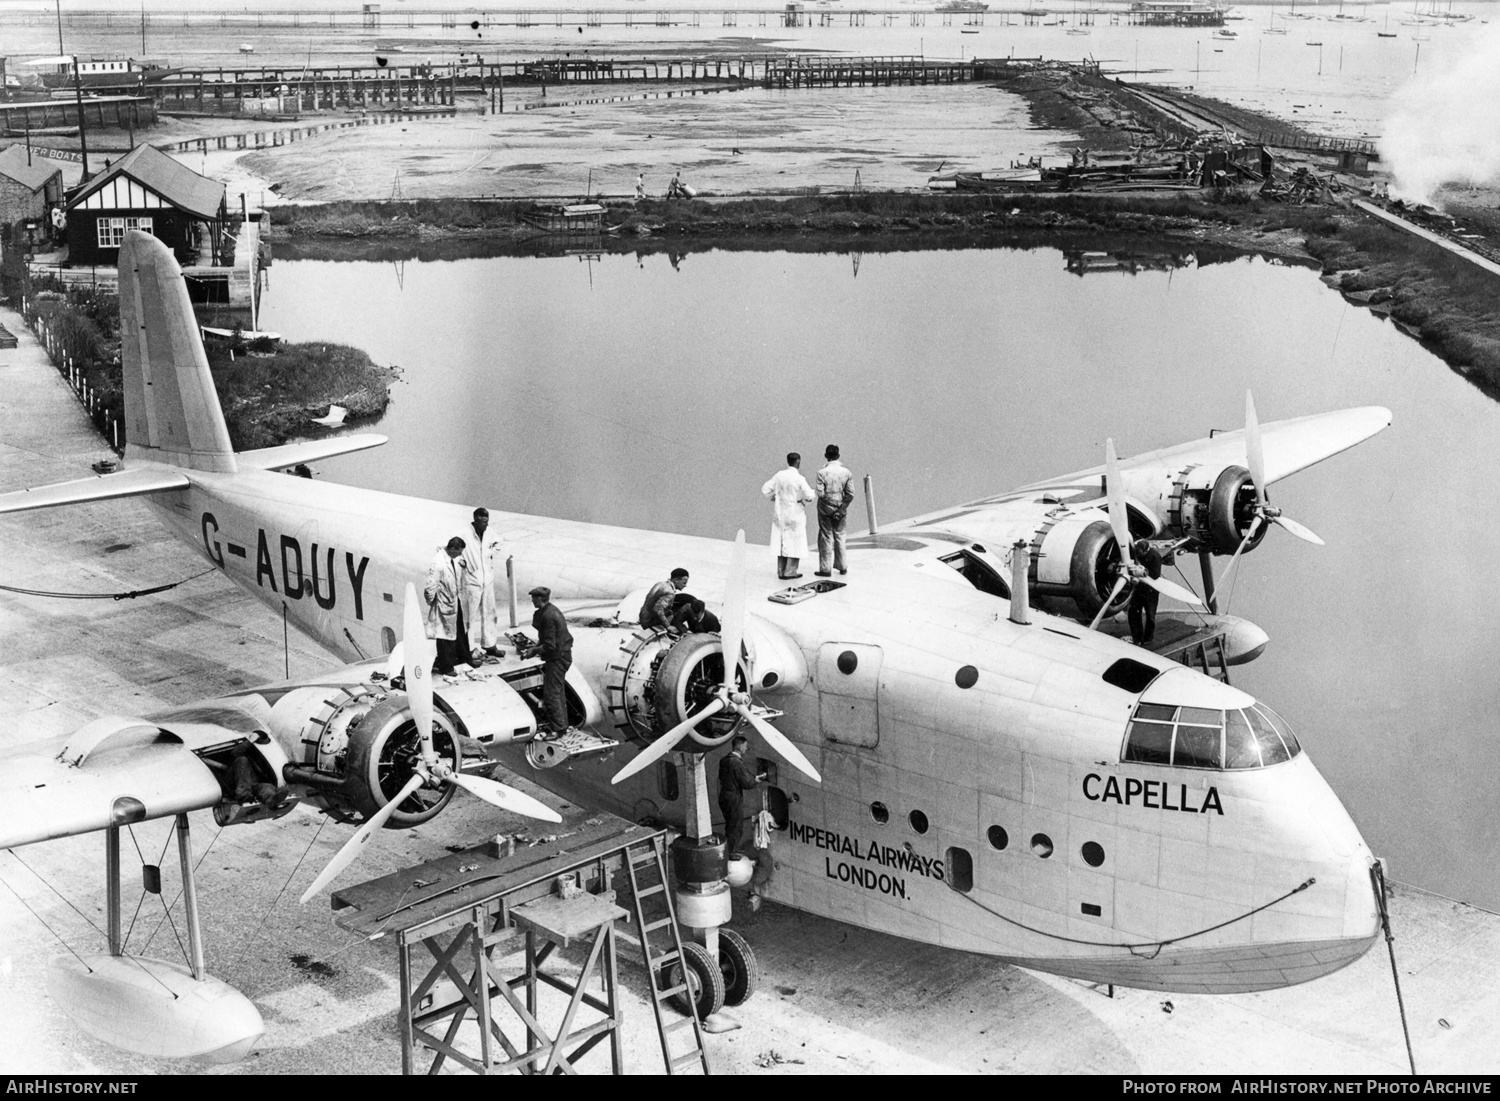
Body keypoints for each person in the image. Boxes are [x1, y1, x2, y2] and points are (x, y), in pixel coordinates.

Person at [762, 452, 815, 580]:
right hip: (795, 512)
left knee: (782, 541)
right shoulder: (799, 478)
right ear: (798, 462)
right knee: (795, 542)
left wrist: (775, 497)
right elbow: (810, 495)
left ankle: (781, 570)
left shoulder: (779, 475)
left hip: (781, 512)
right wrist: (804, 498)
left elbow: (765, 489)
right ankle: (790, 571)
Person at [424, 536, 473, 675]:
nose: (460, 555)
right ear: (452, 549)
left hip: (454, 601)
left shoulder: (451, 557)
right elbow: (430, 587)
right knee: (444, 636)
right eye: (459, 552)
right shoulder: (438, 563)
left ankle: (465, 658)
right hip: (443, 603)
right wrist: (433, 603)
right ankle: (446, 667)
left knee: (460, 631)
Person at [529, 586, 574, 734]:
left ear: (540, 599)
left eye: (534, 598)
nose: (532, 600)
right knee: (558, 692)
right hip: (561, 656)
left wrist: (534, 651)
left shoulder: (548, 616)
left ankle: (558, 730)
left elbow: (550, 645)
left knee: (551, 695)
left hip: (557, 659)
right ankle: (563, 726)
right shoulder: (550, 610)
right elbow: (546, 639)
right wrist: (535, 647)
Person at [461, 507, 504, 661]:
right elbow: (445, 547)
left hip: (487, 579)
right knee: (469, 617)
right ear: (475, 520)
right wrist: (462, 561)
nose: (485, 525)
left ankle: (490, 645)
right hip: (471, 581)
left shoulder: (489, 532)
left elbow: (499, 542)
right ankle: (470, 648)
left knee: (490, 612)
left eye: (486, 522)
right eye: (482, 522)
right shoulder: (464, 533)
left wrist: (490, 553)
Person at [717, 735, 765, 859]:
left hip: (724, 795)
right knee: (736, 825)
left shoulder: (724, 760)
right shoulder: (736, 762)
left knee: (730, 824)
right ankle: (732, 853)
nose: (746, 748)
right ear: (739, 746)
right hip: (734, 797)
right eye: (745, 746)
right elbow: (746, 783)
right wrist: (756, 781)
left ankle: (731, 849)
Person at [814, 444, 854, 577]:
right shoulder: (846, 472)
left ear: (826, 456)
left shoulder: (821, 473)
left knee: (826, 537)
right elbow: (850, 494)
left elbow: (820, 493)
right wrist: (841, 509)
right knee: (840, 536)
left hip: (825, 508)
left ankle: (825, 569)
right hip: (841, 508)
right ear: (838, 456)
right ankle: (842, 566)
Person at [1128, 538, 1163, 646]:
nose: (1139, 555)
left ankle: (1147, 638)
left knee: (1150, 615)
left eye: (1141, 553)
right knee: (1133, 612)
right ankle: (1137, 637)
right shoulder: (1138, 554)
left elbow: (1155, 574)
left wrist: (1142, 571)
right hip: (1140, 588)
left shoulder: (1155, 556)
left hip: (1150, 590)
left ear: (1146, 550)